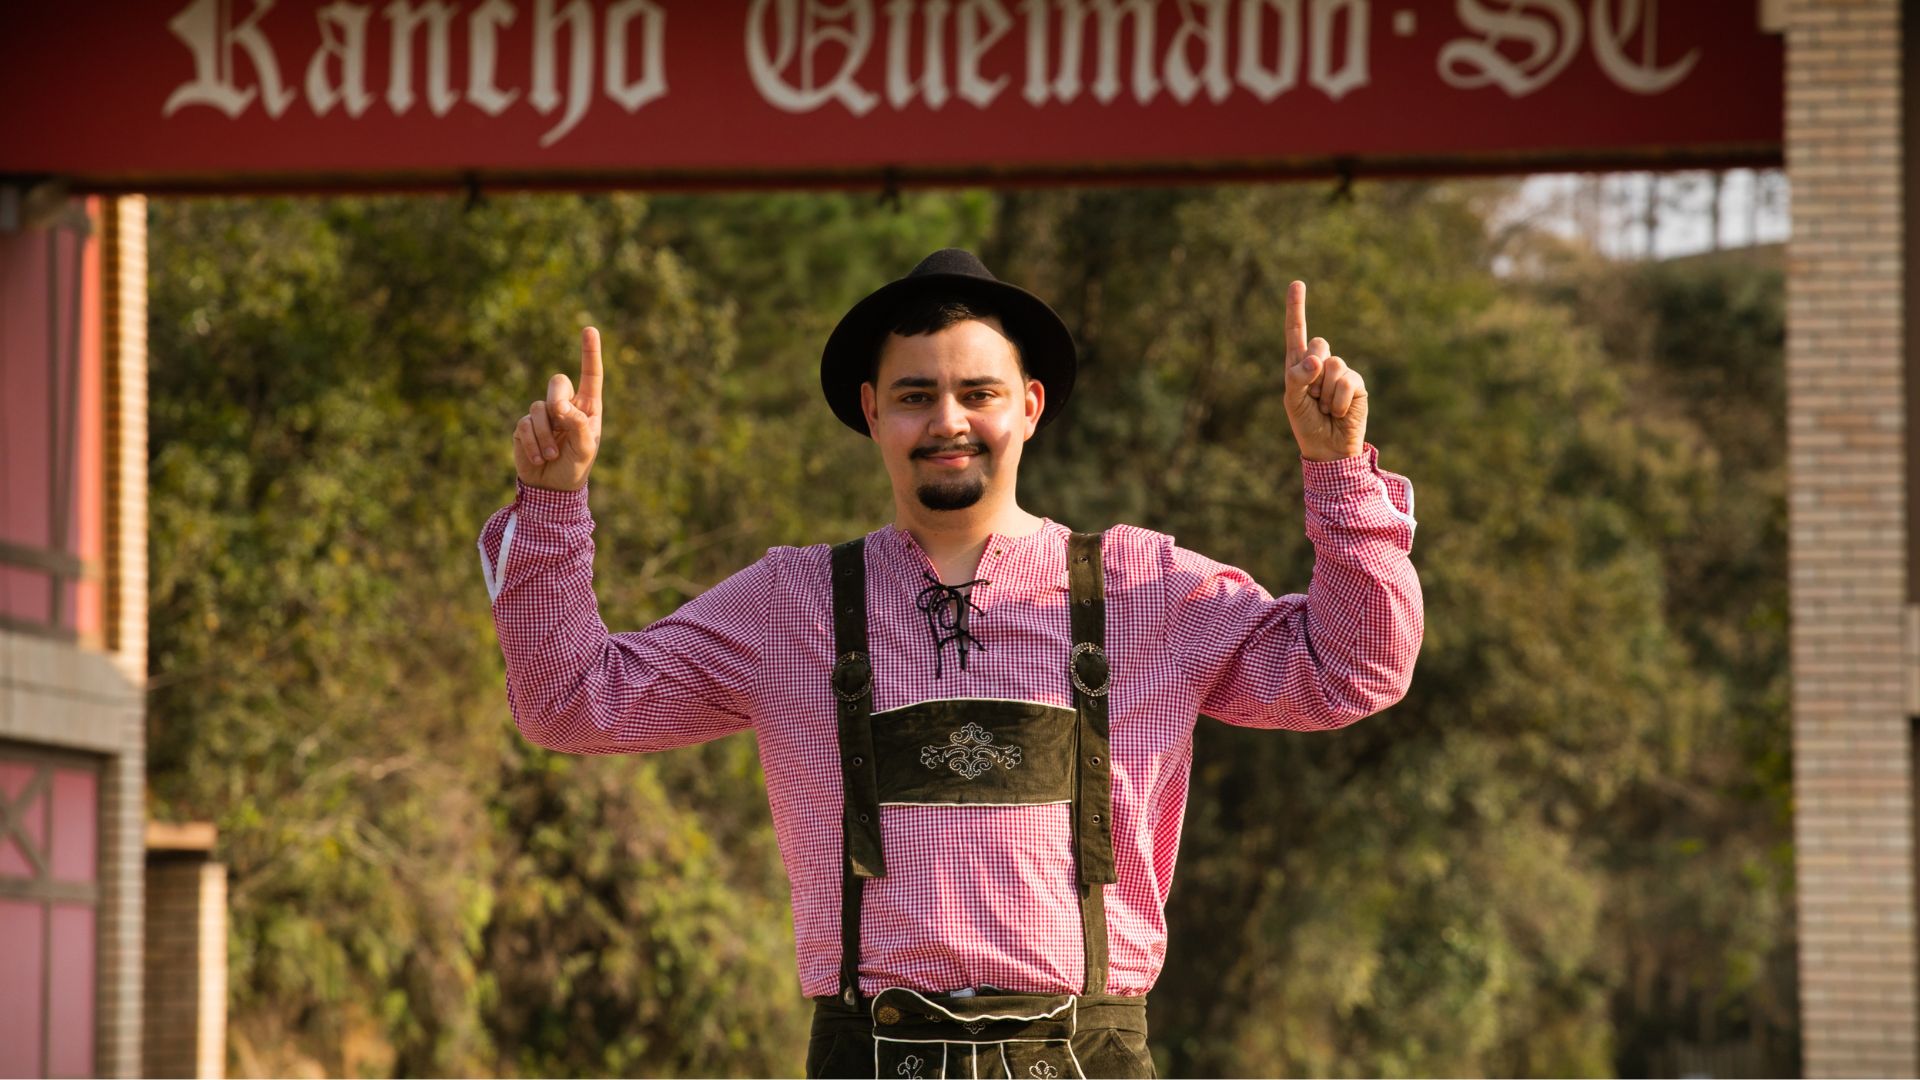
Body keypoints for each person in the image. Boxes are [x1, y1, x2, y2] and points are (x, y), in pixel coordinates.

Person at [479, 249, 1422, 1078]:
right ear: (872, 412)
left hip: (1088, 1059)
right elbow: (573, 704)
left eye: (978, 393)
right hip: (868, 1055)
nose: (948, 421)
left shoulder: (1147, 589)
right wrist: (555, 503)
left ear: (1029, 406)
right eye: (916, 395)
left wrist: (1336, 467)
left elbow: (1353, 670)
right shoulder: (791, 604)